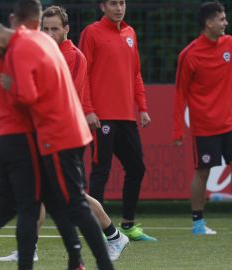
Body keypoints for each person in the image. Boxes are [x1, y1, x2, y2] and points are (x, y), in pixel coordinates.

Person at [0, 20, 114, 270]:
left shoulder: (21, 51)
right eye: (45, 27)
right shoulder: (30, 49)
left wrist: (17, 87)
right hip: (38, 138)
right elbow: (33, 96)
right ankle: (81, 261)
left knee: (35, 205)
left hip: (31, 138)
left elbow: (29, 95)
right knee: (53, 204)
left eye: (54, 28)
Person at [39, 5, 129, 260]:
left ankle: (114, 236)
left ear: (67, 29)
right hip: (49, 134)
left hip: (65, 135)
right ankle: (28, 248)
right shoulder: (46, 54)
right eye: (45, 29)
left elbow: (64, 96)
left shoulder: (74, 56)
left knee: (74, 194)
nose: (49, 33)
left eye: (55, 28)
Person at [173, 1, 232, 235]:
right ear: (209, 23)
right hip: (204, 125)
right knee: (203, 171)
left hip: (229, 121)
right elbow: (180, 94)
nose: (226, 23)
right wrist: (177, 129)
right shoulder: (189, 55)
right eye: (221, 19)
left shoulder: (229, 43)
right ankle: (198, 223)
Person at [79, 0, 156, 241]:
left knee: (137, 167)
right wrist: (89, 109)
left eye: (122, 2)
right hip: (101, 116)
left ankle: (128, 225)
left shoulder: (130, 32)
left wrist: (142, 107)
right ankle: (99, 229)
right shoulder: (91, 32)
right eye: (113, 3)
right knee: (101, 170)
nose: (119, 7)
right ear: (102, 7)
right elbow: (84, 73)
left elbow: (135, 73)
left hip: (126, 116)